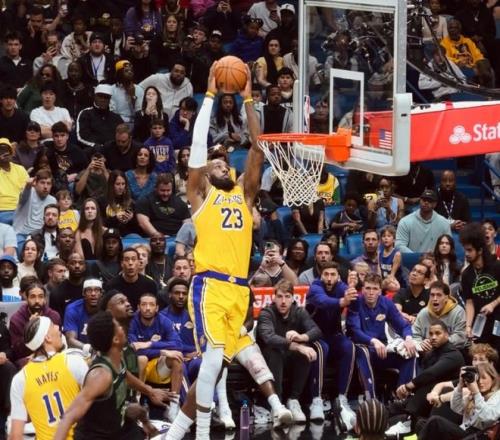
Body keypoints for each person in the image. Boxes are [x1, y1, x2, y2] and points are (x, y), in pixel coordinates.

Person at [165, 63, 264, 440]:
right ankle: (203, 435)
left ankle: (174, 436)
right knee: (210, 363)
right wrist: (208, 95)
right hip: (209, 286)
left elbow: (258, 148)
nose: (224, 165)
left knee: (217, 367)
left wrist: (248, 99)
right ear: (205, 174)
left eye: (226, 163)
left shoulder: (244, 195)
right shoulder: (200, 196)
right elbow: (196, 151)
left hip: (239, 290)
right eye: (216, 163)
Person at [53, 311, 159, 440]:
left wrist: (150, 391)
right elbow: (68, 416)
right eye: (118, 326)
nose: (122, 328)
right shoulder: (101, 375)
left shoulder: (117, 359)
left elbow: (125, 375)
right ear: (115, 339)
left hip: (116, 430)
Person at [9, 316, 89, 440]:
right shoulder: (74, 362)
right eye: (53, 325)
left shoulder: (20, 379)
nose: (57, 327)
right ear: (48, 338)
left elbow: (15, 435)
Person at [256, 280, 321, 423]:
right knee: (276, 351)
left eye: (287, 296)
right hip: (268, 361)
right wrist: (298, 346)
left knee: (306, 352)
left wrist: (302, 337)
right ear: (274, 298)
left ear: (293, 298)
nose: (283, 301)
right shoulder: (266, 313)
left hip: (290, 360)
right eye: (279, 296)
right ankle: (277, 404)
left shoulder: (299, 311)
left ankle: (294, 400)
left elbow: (316, 330)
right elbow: (269, 338)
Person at [386, 320, 465, 437]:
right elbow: (424, 373)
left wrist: (408, 386)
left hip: (446, 402)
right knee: (391, 410)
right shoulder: (433, 353)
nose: (433, 337)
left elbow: (431, 373)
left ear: (447, 335)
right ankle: (369, 423)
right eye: (431, 334)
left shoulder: (453, 355)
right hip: (426, 399)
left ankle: (409, 420)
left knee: (430, 384)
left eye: (438, 333)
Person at [346, 273, 418, 399]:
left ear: (380, 291)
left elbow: (404, 325)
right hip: (361, 347)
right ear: (362, 290)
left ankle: (402, 397)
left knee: (410, 353)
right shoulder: (355, 302)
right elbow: (355, 331)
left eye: (375, 289)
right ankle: (371, 398)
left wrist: (408, 338)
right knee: (364, 352)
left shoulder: (386, 303)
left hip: (382, 349)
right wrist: (373, 341)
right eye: (368, 288)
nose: (371, 292)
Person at [306, 262, 358, 428]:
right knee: (322, 349)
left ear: (338, 277)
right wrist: (343, 301)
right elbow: (323, 302)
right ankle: (316, 399)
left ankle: (342, 398)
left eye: (333, 274)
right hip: (314, 335)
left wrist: (352, 288)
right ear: (321, 276)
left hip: (334, 334)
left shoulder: (341, 286)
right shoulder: (315, 287)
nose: (329, 278)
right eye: (326, 274)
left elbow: (354, 300)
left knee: (349, 346)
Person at [128, 292, 184, 421]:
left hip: (156, 367)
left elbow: (178, 345)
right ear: (138, 307)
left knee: (176, 358)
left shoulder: (164, 321)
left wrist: (150, 344)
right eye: (144, 304)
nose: (148, 308)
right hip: (135, 368)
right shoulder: (132, 321)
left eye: (151, 305)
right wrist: (162, 351)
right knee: (142, 358)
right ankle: (137, 403)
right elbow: (134, 350)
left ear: (157, 308)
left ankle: (173, 407)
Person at [418, 363, 500, 440]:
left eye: (484, 378)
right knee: (421, 423)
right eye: (478, 378)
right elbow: (456, 407)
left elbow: (486, 417)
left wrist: (476, 392)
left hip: (477, 435)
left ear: (493, 379)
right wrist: (460, 385)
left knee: (435, 422)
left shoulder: (497, 396)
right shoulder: (474, 394)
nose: (480, 382)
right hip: (464, 430)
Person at [460, 223, 500, 353]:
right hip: (480, 323)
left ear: (480, 250)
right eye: (465, 250)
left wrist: (493, 304)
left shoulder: (496, 266)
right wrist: (468, 326)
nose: (466, 254)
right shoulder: (466, 274)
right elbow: (469, 302)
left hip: (498, 318)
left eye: (470, 250)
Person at [412, 281, 468, 351]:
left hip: (452, 351)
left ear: (446, 298)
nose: (435, 299)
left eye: (439, 295)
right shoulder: (423, 313)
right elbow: (414, 335)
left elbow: (461, 337)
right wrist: (420, 343)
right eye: (432, 295)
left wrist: (441, 342)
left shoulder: (458, 312)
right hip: (428, 352)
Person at [136, 173, 190, 237]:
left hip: (177, 237)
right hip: (154, 238)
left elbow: (187, 223)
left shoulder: (180, 202)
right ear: (156, 188)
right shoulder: (145, 201)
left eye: (168, 190)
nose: (165, 194)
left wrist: (182, 237)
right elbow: (143, 223)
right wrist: (157, 235)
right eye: (162, 190)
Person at [76, 84, 124, 151]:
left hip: (114, 150)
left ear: (110, 99)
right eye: (100, 96)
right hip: (93, 149)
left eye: (106, 97)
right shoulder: (86, 113)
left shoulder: (116, 117)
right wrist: (98, 146)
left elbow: (123, 135)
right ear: (95, 97)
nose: (103, 100)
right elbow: (81, 137)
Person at [13, 169, 56, 239]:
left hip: (39, 236)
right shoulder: (28, 191)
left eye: (48, 183)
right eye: (42, 183)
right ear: (35, 183)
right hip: (21, 233)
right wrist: (28, 186)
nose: (45, 186)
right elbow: (24, 196)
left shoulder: (53, 200)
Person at [45, 122, 87, 192]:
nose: (59, 139)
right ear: (52, 137)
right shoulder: (47, 150)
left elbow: (86, 169)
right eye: (56, 136)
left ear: (67, 136)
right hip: (54, 183)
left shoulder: (77, 151)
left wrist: (76, 175)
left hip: (74, 182)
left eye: (62, 135)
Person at [64, 279, 103, 351]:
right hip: (79, 351)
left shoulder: (107, 308)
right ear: (83, 293)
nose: (93, 294)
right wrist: (90, 349)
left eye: (97, 290)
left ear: (101, 293)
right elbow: (70, 340)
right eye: (89, 290)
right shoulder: (73, 309)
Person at [0, 138, 30, 225]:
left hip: (21, 209)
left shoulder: (20, 169)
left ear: (11, 153)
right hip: (3, 210)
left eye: (7, 150)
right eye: (1, 151)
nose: (5, 153)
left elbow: (27, 191)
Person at [50, 252, 87, 318]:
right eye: (73, 263)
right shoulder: (57, 292)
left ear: (85, 267)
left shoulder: (90, 289)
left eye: (80, 263)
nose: (77, 266)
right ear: (67, 266)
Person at [109, 60, 144, 128]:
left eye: (131, 70)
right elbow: (112, 112)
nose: (130, 72)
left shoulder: (139, 89)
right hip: (118, 123)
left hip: (136, 123)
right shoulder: (112, 89)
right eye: (126, 71)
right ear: (119, 74)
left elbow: (140, 113)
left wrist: (133, 96)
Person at [104, 170, 139, 236]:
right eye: (118, 184)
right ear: (111, 185)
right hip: (109, 236)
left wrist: (132, 219)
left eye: (123, 184)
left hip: (128, 237)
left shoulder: (131, 203)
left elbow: (138, 229)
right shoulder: (102, 201)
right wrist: (115, 218)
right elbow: (100, 224)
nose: (121, 187)